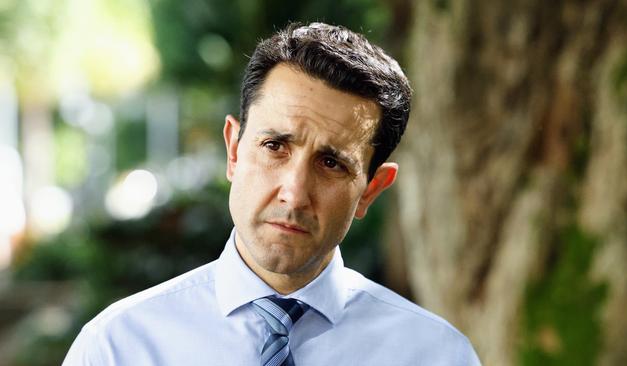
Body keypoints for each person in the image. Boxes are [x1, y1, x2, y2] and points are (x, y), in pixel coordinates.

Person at [63, 22, 481, 365]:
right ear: (233, 150)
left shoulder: (436, 356)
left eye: (331, 163)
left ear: (370, 190)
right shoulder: (116, 348)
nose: (295, 194)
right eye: (275, 146)